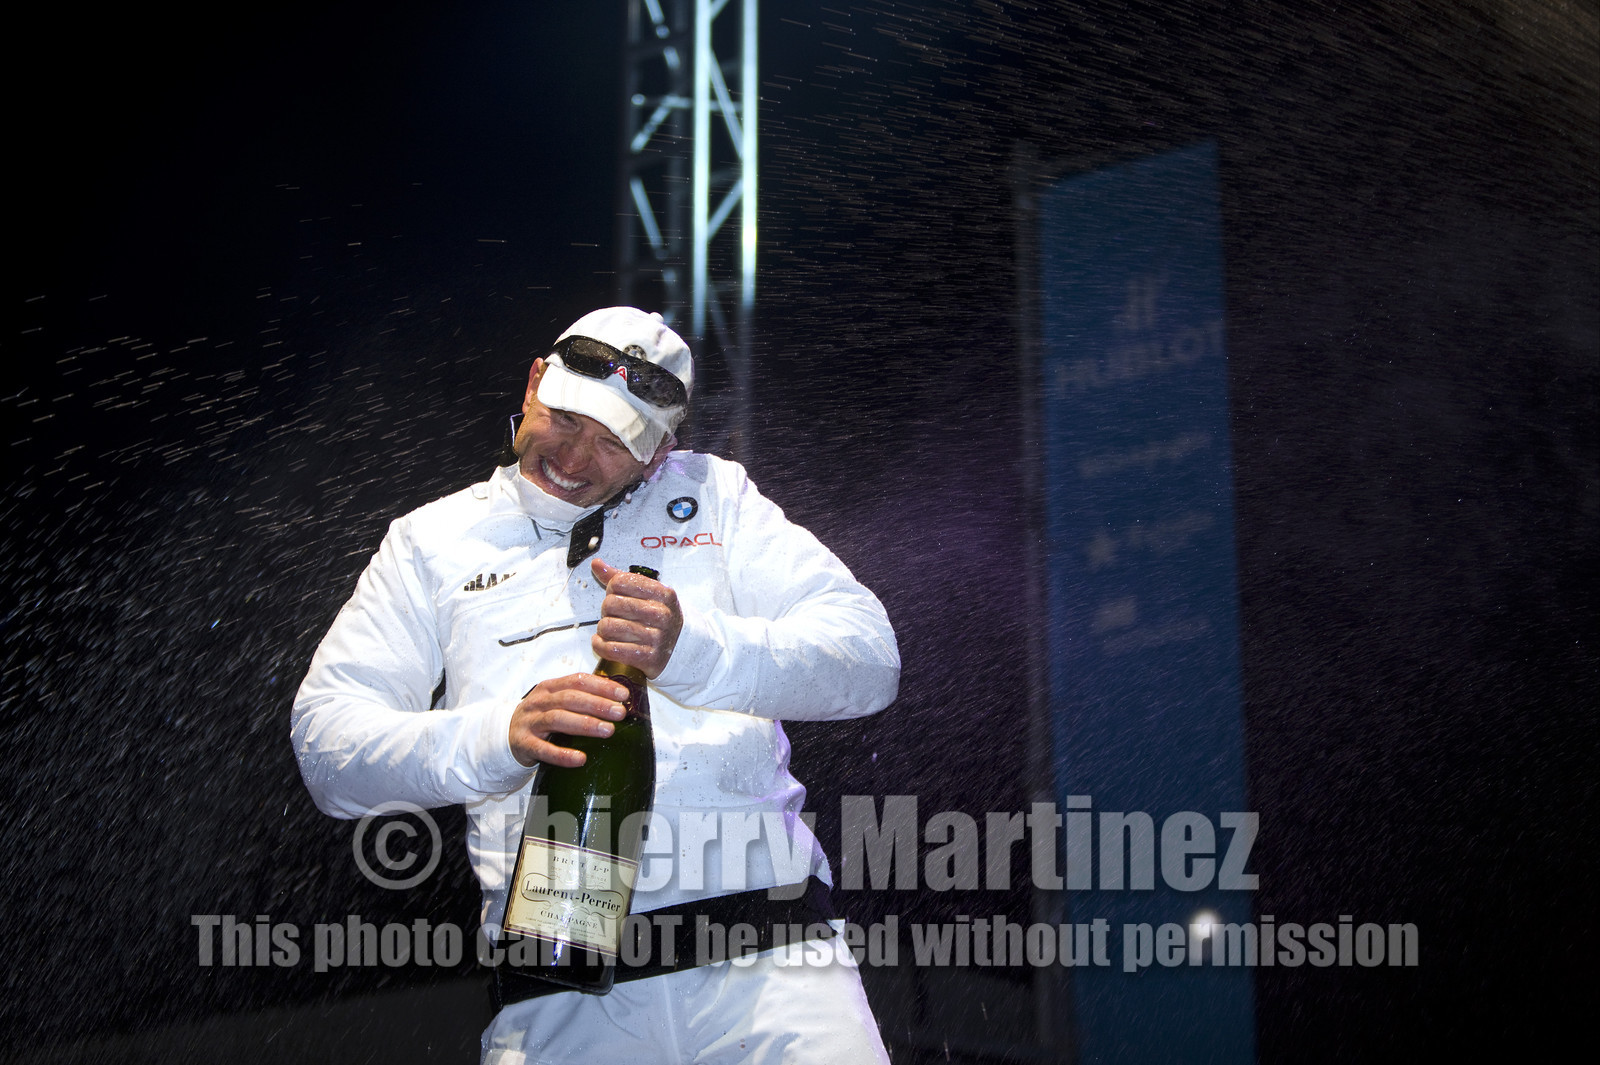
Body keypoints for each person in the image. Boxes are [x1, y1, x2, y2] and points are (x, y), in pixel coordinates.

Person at [291, 307, 900, 1064]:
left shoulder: (718, 497)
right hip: (557, 986)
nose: (576, 458)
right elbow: (328, 750)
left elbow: (870, 657)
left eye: (615, 441)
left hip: (773, 964)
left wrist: (696, 651)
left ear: (660, 452)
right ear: (535, 380)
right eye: (568, 418)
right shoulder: (431, 541)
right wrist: (498, 735)